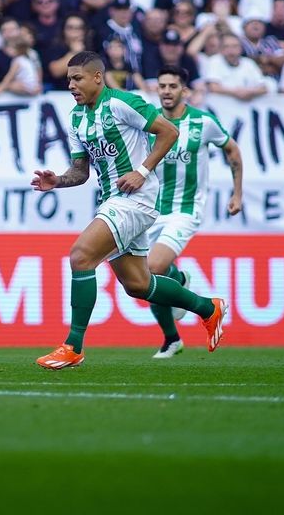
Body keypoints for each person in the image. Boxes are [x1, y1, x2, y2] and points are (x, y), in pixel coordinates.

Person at [30, 51, 226, 369]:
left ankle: (73, 346)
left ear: (97, 77)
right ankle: (208, 308)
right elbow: (80, 172)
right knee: (138, 284)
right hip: (112, 200)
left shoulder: (123, 102)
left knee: (81, 256)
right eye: (68, 79)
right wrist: (58, 181)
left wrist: (143, 171)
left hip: (137, 199)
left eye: (77, 78)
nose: (70, 85)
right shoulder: (77, 118)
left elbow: (169, 132)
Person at [144, 65, 243, 358]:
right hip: (150, 210)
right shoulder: (149, 120)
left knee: (153, 268)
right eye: (162, 86)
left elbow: (232, 151)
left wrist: (237, 193)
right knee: (143, 280)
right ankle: (171, 338)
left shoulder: (202, 121)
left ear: (184, 90)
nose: (166, 91)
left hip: (185, 210)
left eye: (172, 86)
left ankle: (182, 283)